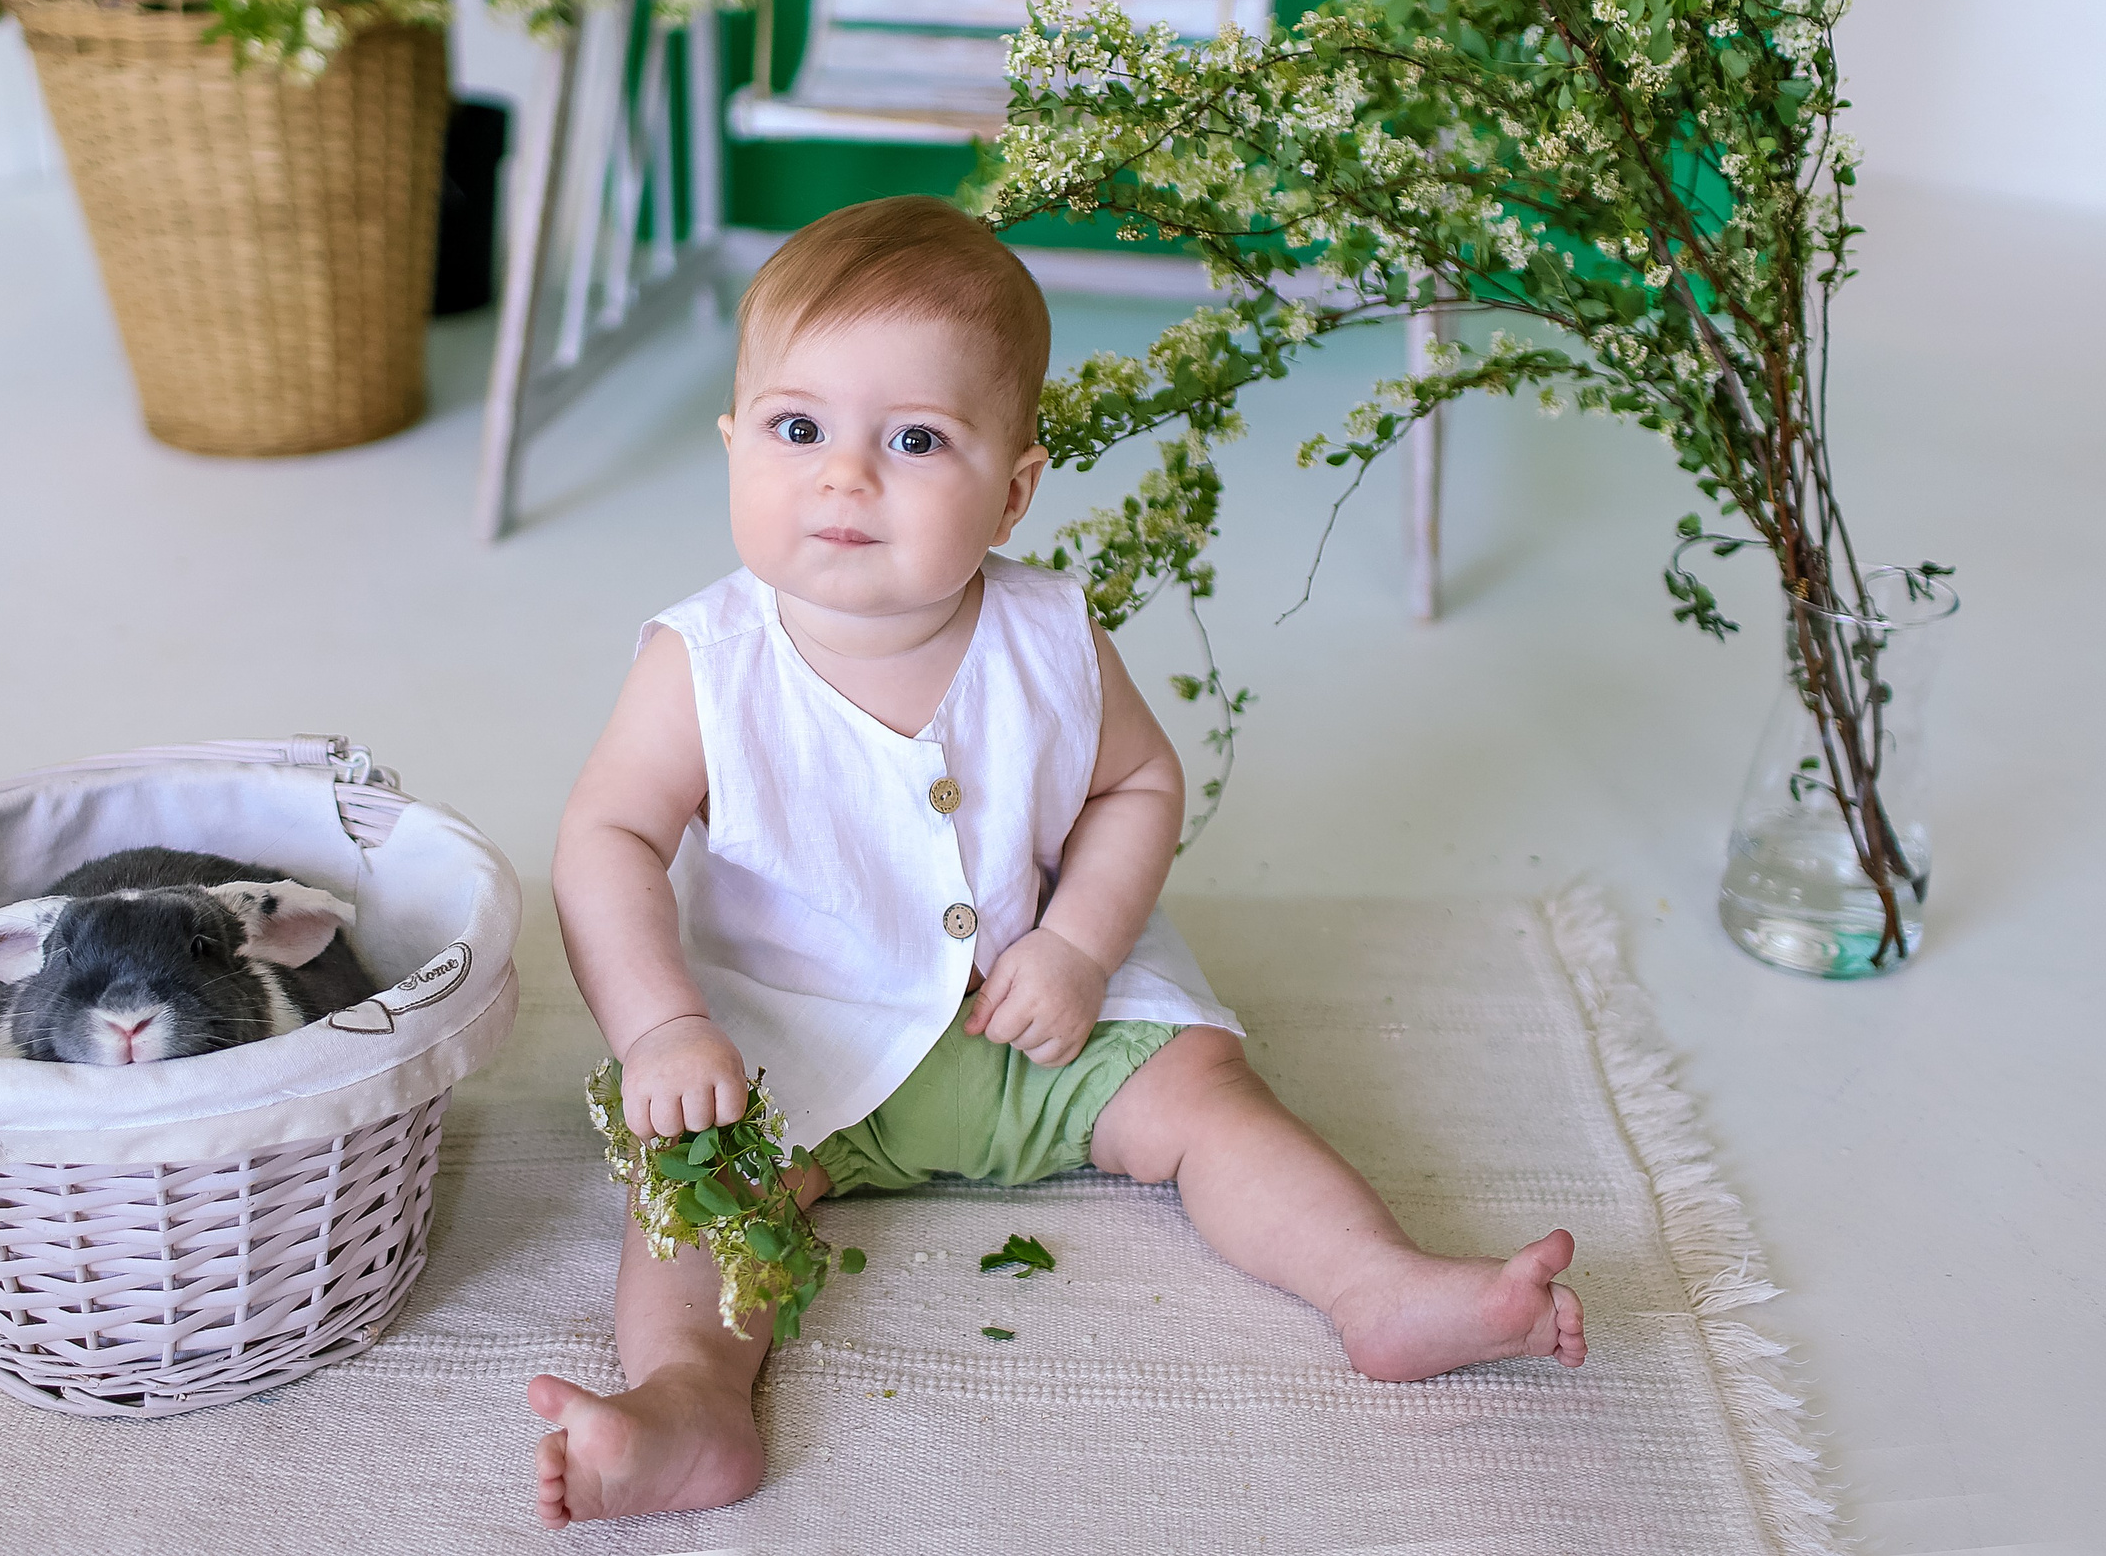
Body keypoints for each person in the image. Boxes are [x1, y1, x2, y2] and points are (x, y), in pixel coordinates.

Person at [532, 196, 1586, 1527]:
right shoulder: (705, 663)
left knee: (1210, 1097)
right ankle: (691, 1404)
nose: (845, 475)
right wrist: (661, 1027)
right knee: (693, 1199)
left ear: (1015, 488)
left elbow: (1139, 782)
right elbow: (607, 839)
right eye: (799, 429)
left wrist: (1083, 944)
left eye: (916, 439)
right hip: (789, 1049)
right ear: (734, 443)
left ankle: (1373, 1282)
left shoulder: (1047, 634)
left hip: (1037, 1021)